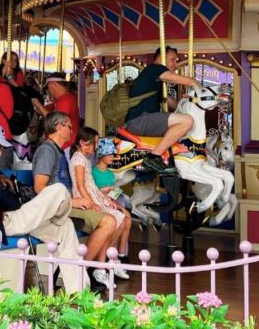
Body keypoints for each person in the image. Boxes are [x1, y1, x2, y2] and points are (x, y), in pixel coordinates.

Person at [0, 121, 90, 293]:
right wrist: (16, 202)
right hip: (6, 218)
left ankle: (79, 293)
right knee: (59, 191)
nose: (0, 153)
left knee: (65, 227)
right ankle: (57, 215)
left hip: (11, 216)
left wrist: (0, 175)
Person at [32, 111, 116, 290]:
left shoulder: (59, 152)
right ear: (59, 127)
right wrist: (72, 200)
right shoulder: (47, 151)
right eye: (70, 127)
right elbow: (39, 188)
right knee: (109, 221)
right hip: (57, 208)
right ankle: (83, 272)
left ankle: (88, 272)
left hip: (67, 204)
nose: (72, 131)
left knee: (113, 218)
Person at [124, 46, 203, 174]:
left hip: (144, 120)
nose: (175, 64)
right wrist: (202, 90)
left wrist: (186, 102)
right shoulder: (154, 69)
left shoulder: (155, 81)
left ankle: (173, 161)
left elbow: (173, 104)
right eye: (173, 60)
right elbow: (188, 81)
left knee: (183, 128)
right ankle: (153, 157)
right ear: (161, 58)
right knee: (187, 121)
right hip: (140, 120)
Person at [70, 128, 131, 284]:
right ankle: (98, 266)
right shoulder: (78, 159)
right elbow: (80, 184)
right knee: (113, 219)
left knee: (121, 218)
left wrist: (104, 199)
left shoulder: (85, 159)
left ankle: (102, 264)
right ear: (84, 143)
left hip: (93, 194)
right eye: (95, 142)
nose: (97, 146)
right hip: (85, 197)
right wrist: (90, 202)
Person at [31, 72, 81, 149]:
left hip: (65, 144)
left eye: (49, 87)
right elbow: (45, 110)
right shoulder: (60, 100)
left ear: (53, 85)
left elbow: (55, 120)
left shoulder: (65, 100)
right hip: (62, 144)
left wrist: (38, 104)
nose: (49, 91)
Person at [92, 138, 130, 210]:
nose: (112, 156)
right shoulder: (92, 172)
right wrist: (106, 189)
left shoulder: (110, 173)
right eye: (109, 154)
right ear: (101, 154)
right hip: (98, 204)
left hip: (111, 203)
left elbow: (115, 192)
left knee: (126, 201)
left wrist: (113, 191)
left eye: (112, 154)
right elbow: (91, 192)